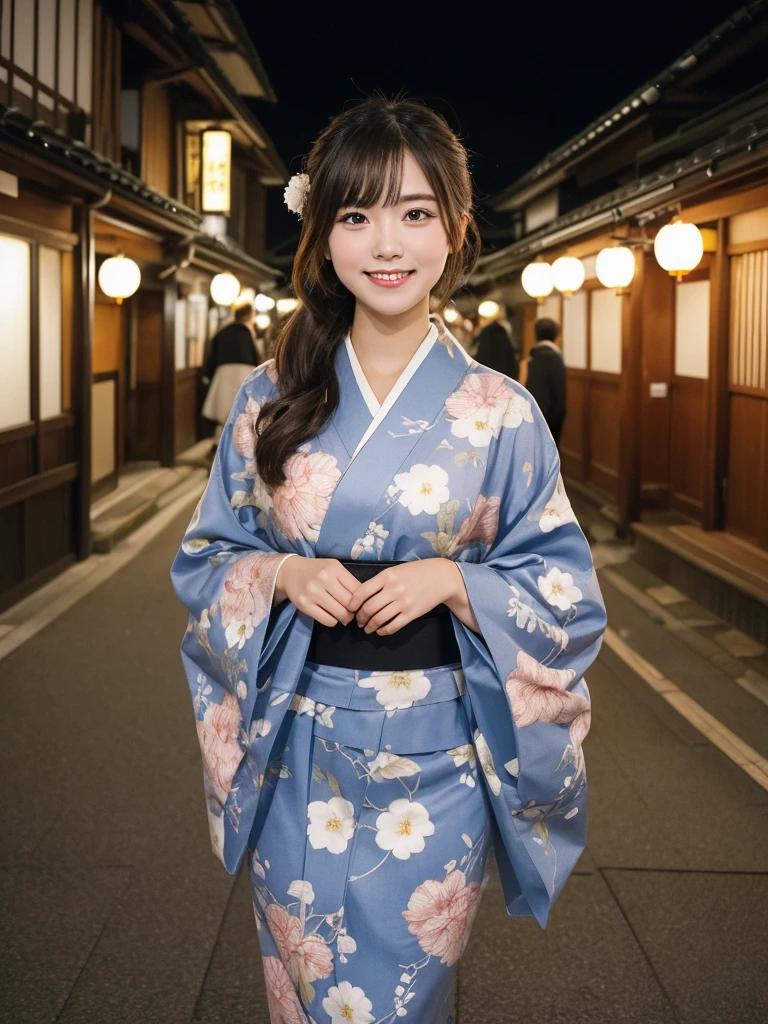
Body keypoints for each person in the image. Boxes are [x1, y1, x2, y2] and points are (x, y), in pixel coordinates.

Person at [171, 97, 606, 1024]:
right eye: (356, 215)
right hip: (297, 744)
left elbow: (564, 590)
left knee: (400, 999)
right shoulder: (268, 398)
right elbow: (209, 555)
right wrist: (282, 575)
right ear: (322, 233)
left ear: (454, 227)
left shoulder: (501, 411)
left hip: (438, 758)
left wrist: (456, 580)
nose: (387, 243)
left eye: (415, 212)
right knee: (300, 990)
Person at [201, 302, 261, 442]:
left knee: (224, 413)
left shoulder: (222, 332)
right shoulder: (247, 334)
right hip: (245, 374)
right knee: (243, 412)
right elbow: (256, 357)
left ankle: (219, 444)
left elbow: (211, 358)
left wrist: (208, 376)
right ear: (249, 316)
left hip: (223, 375)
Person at [522, 317, 567, 446]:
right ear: (557, 335)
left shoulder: (530, 359)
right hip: (550, 420)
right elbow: (560, 398)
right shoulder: (556, 358)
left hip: (531, 416)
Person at [474, 315, 520, 379]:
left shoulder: (486, 333)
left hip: (488, 376)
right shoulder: (503, 333)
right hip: (504, 377)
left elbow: (482, 356)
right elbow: (511, 360)